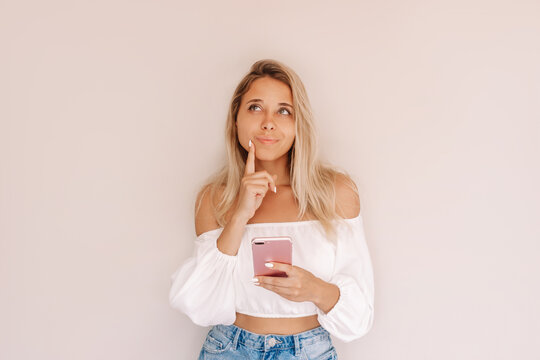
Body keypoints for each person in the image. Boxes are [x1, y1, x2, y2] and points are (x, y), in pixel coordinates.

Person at [169, 59, 374, 359]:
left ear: (297, 123)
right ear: (236, 119)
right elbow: (201, 304)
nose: (268, 122)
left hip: (309, 351)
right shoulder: (215, 199)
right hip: (229, 349)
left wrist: (314, 289)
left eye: (283, 111)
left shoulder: (336, 194)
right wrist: (240, 214)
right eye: (254, 107)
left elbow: (360, 318)